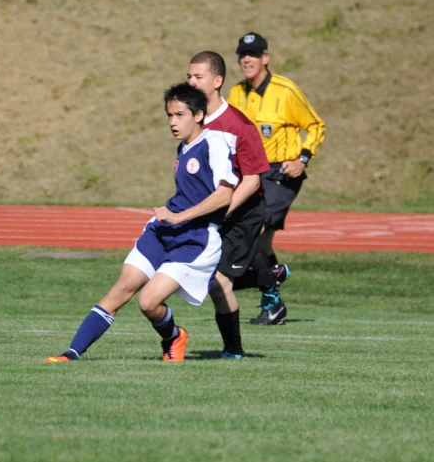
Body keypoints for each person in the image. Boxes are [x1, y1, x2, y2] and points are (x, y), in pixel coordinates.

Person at [44, 83, 237, 363]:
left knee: (148, 302)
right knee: (122, 288)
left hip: (195, 239)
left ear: (198, 115)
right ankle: (71, 353)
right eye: (169, 115)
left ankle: (173, 336)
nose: (173, 122)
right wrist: (171, 217)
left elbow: (225, 195)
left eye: (180, 115)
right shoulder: (184, 147)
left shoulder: (214, 144)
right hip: (163, 230)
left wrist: (179, 216)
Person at [227, 32, 326, 325]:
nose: (247, 60)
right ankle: (274, 298)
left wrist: (303, 158)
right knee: (260, 245)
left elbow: (315, 125)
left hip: (281, 173)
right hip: (250, 174)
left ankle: (273, 284)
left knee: (254, 232)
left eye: (253, 54)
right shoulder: (236, 92)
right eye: (242, 55)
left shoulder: (285, 90)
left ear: (265, 59)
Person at [186, 51, 270, 359]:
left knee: (218, 281)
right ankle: (267, 276)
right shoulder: (192, 120)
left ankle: (233, 351)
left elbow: (252, 181)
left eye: (199, 77)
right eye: (189, 76)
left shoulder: (238, 125)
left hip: (243, 212)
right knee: (197, 271)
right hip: (215, 210)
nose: (191, 82)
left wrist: (222, 210)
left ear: (217, 81)